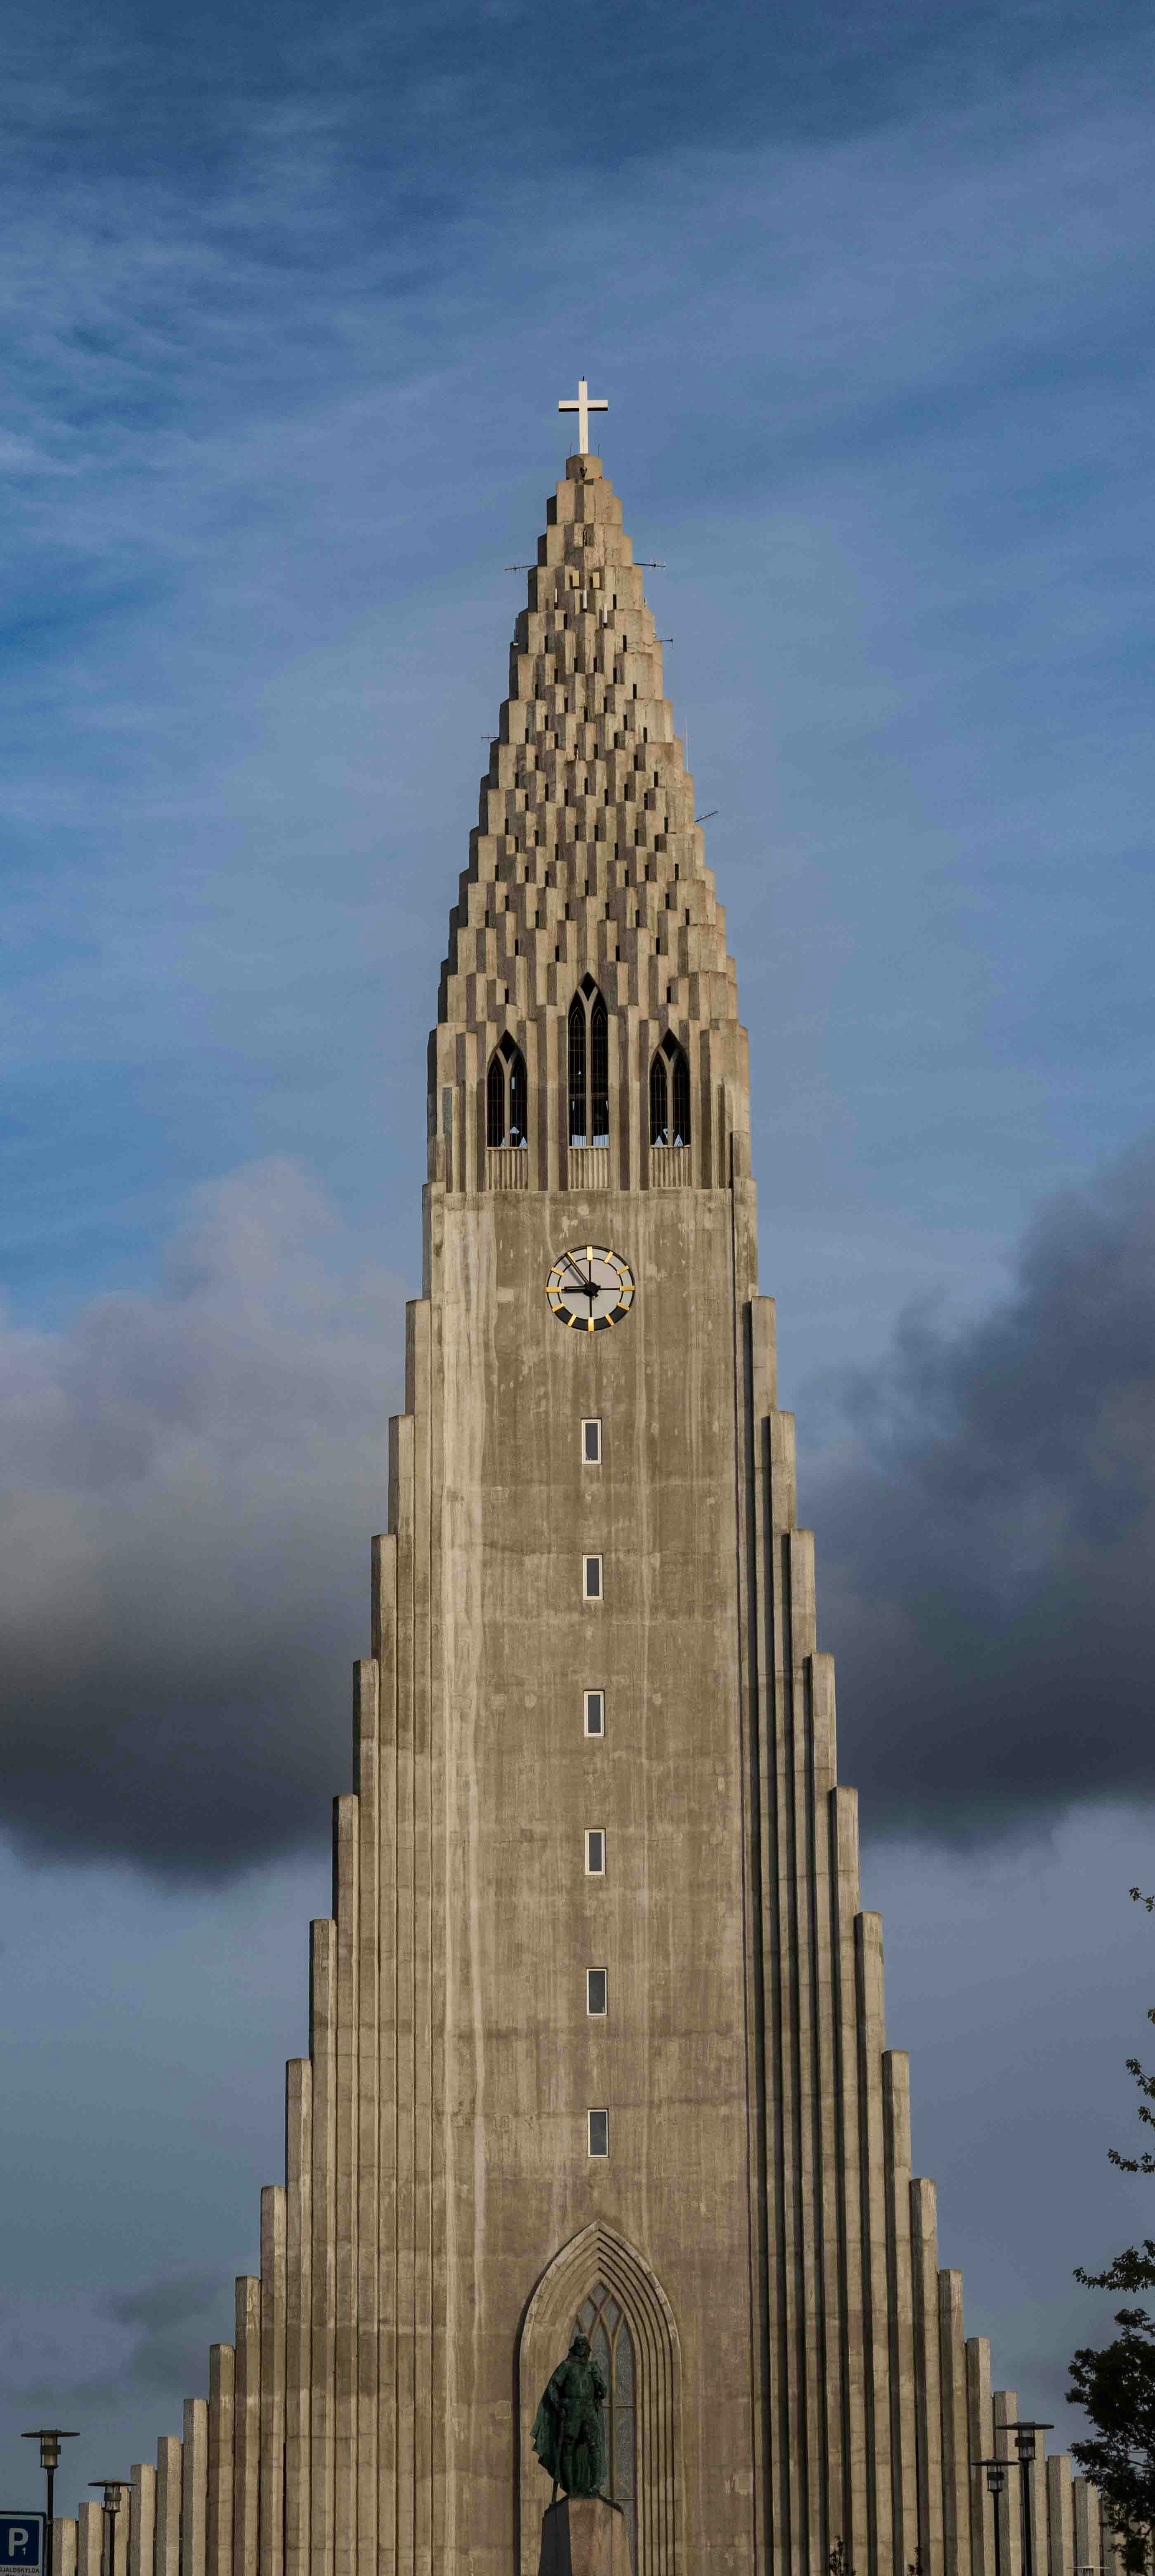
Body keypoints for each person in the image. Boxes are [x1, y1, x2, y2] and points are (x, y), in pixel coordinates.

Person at [531, 2331, 608, 2500]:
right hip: (571, 2409)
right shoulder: (567, 2366)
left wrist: (598, 2381)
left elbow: (603, 2393)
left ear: (588, 2349)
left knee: (594, 2446)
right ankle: (571, 2488)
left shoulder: (593, 2368)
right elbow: (553, 2387)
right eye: (579, 2345)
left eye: (584, 2345)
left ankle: (594, 2486)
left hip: (588, 2410)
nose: (581, 2348)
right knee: (569, 2447)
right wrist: (559, 2408)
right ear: (574, 2348)